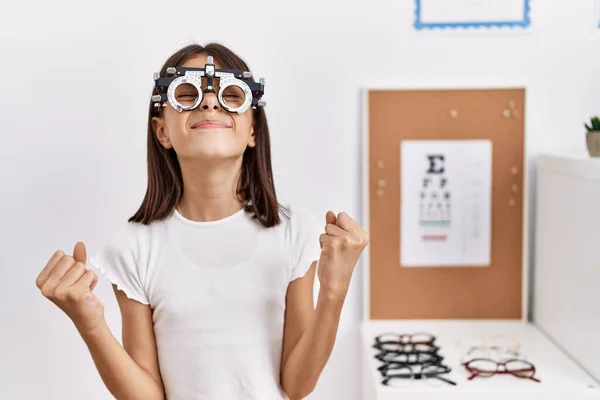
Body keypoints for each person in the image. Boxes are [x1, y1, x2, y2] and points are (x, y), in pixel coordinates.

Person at [35, 42, 369, 400]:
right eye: (187, 94)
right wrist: (90, 322)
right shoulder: (134, 247)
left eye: (230, 96)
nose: (210, 103)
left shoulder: (292, 232)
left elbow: (296, 385)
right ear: (162, 130)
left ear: (252, 128)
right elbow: (147, 395)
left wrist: (334, 292)